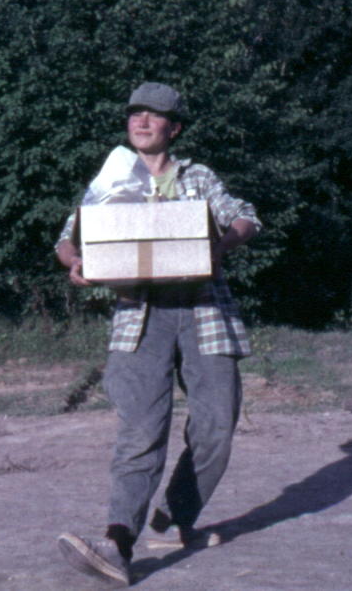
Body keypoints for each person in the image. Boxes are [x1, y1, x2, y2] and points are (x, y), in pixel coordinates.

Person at [55, 82, 260, 585]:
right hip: (138, 316)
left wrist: (221, 246)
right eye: (135, 114)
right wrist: (76, 262)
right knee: (141, 432)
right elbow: (69, 238)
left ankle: (171, 520)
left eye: (154, 115)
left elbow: (245, 218)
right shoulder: (112, 178)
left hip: (204, 312)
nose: (142, 122)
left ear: (175, 128)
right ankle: (117, 542)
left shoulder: (198, 176)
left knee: (215, 429)